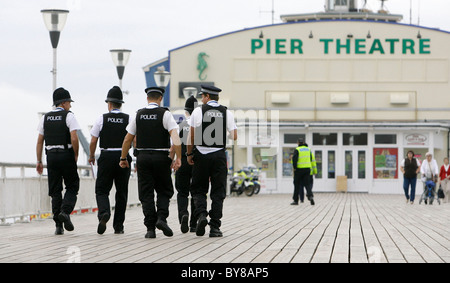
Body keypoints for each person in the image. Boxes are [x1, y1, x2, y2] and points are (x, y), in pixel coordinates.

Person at [119, 87, 181, 239]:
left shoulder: (138, 115)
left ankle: (150, 229)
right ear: (160, 99)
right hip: (161, 157)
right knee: (164, 190)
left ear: (147, 98)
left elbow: (127, 139)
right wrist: (178, 158)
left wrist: (123, 158)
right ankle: (161, 218)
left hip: (143, 158)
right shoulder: (165, 114)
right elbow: (175, 137)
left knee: (146, 193)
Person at [186, 85, 237, 237]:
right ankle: (215, 227)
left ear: (207, 96)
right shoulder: (226, 112)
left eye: (203, 96)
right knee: (218, 191)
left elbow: (191, 137)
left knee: (198, 189)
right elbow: (234, 136)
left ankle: (201, 215)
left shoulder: (198, 111)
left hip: (201, 154)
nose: (202, 99)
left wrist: (189, 154)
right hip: (219, 156)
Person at [36, 87, 80, 235]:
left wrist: (39, 161)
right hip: (65, 154)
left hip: (51, 157)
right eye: (69, 102)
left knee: (55, 191)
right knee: (72, 185)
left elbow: (39, 141)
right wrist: (75, 154)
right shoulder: (69, 116)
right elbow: (74, 137)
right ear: (64, 102)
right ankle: (65, 212)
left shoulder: (45, 118)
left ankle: (58, 226)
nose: (70, 105)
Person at [89, 86, 132, 235]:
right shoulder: (128, 119)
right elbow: (134, 138)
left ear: (109, 104)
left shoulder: (102, 118)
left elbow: (93, 140)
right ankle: (118, 226)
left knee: (101, 189)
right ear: (121, 103)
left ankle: (104, 213)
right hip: (123, 157)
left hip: (106, 157)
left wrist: (91, 155)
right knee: (121, 192)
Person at [171, 95, 198, 233]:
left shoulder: (180, 126)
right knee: (196, 192)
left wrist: (173, 160)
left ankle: (183, 214)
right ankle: (194, 224)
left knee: (182, 192)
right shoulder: (200, 126)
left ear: (186, 111)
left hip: (182, 162)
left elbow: (174, 145)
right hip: (197, 163)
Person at [291, 138, 315, 206]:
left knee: (297, 185)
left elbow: (294, 160)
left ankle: (295, 200)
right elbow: (311, 159)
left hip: (299, 169)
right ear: (304, 142)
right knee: (307, 184)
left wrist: (295, 168)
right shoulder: (308, 149)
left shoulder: (297, 149)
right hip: (307, 169)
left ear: (298, 143)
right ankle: (310, 196)